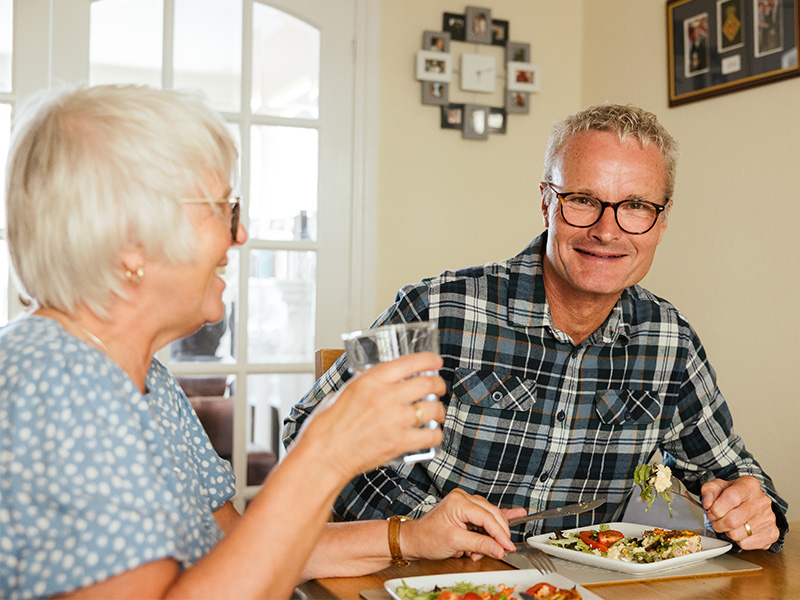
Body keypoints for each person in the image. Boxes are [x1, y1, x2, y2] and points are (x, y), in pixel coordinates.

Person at [0, 84, 525, 600]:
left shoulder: (142, 380)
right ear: (131, 240)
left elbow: (234, 551)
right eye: (223, 209)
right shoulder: (60, 384)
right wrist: (325, 454)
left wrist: (411, 536)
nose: (241, 234)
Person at [285, 103, 789, 553]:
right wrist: (421, 532)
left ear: (661, 221)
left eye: (635, 206)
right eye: (583, 199)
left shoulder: (670, 341)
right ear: (547, 201)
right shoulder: (436, 307)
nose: (607, 230)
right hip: (423, 581)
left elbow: (738, 478)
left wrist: (753, 508)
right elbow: (306, 434)